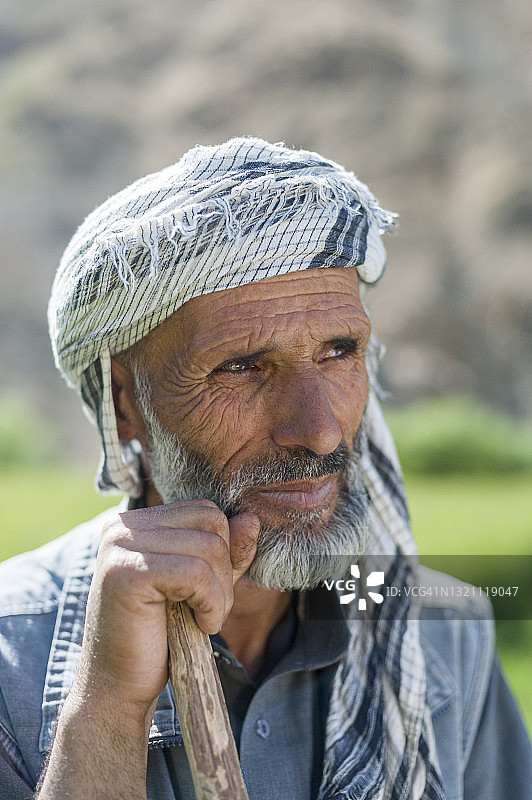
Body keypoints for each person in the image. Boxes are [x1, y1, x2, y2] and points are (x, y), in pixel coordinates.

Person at [0, 138, 530, 800]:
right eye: (242, 366)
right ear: (125, 400)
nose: (321, 429)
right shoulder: (8, 658)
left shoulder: (443, 635)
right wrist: (107, 707)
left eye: (341, 351)